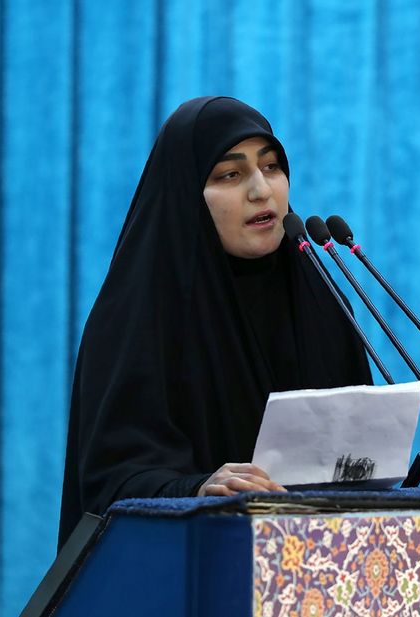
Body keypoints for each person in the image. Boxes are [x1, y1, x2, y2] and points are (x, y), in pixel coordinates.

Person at [58, 97, 372, 547]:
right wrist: (196, 490)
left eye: (272, 167)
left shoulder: (321, 301)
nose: (261, 190)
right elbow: (109, 484)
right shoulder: (135, 318)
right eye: (230, 174)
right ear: (186, 193)